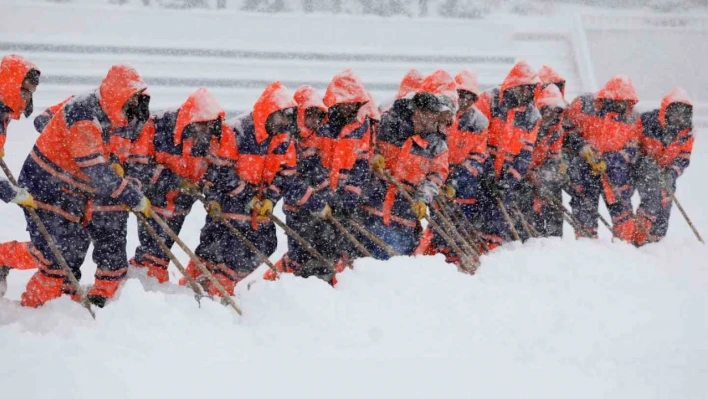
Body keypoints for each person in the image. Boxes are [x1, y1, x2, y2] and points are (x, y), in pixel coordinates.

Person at [18, 65, 151, 307]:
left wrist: (109, 159)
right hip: (47, 185)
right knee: (55, 256)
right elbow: (97, 172)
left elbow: (100, 157)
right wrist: (133, 197)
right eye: (131, 97)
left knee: (72, 247)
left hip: (70, 189)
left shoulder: (107, 111)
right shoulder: (84, 116)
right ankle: (37, 308)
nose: (134, 103)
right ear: (118, 93)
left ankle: (65, 299)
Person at [192, 82, 327, 294]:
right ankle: (207, 288)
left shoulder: (284, 138)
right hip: (230, 203)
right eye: (281, 115)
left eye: (288, 116)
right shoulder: (237, 131)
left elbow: (286, 174)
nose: (284, 122)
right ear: (268, 113)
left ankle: (218, 283)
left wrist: (270, 199)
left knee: (266, 243)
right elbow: (221, 172)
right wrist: (246, 197)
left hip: (258, 207)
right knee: (225, 250)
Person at [126, 88, 233, 288]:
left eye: (210, 126)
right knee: (153, 248)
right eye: (202, 125)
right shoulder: (159, 127)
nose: (206, 131)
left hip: (181, 205)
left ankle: (149, 284)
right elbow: (139, 165)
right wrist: (174, 181)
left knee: (163, 247)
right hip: (155, 200)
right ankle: (144, 284)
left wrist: (211, 197)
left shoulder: (214, 140)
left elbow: (215, 173)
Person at [361, 70, 452, 259]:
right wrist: (373, 156)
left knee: (397, 255)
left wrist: (422, 198)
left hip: (404, 211)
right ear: (417, 112)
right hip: (372, 203)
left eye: (435, 116)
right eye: (428, 114)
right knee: (365, 255)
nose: (432, 120)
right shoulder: (387, 124)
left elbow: (437, 175)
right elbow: (365, 144)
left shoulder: (438, 144)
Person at [563, 75, 641, 242]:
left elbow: (633, 149)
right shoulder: (583, 105)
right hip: (583, 168)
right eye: (618, 100)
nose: (621, 104)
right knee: (584, 203)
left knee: (622, 208)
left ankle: (624, 245)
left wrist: (610, 161)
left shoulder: (633, 119)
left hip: (616, 173)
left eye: (626, 101)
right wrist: (582, 148)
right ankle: (586, 242)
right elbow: (566, 128)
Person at [264, 85, 328, 280]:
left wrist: (325, 198)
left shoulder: (316, 139)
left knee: (313, 252)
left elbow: (320, 172)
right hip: (297, 208)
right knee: (299, 256)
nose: (315, 121)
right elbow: (286, 180)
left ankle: (276, 281)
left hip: (316, 203)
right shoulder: (286, 140)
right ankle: (272, 282)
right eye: (310, 115)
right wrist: (314, 200)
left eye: (318, 116)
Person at [475, 61, 541, 248]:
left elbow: (525, 154)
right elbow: (478, 138)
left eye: (530, 90)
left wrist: (509, 181)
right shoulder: (489, 100)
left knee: (497, 220)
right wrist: (485, 171)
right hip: (479, 169)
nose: (526, 94)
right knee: (470, 213)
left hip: (505, 174)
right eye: (523, 89)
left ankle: (491, 253)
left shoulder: (532, 116)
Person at [0, 54, 41, 297]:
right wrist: (9, 192)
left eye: (30, 93)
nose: (27, 98)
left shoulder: (2, 112)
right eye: (23, 91)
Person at [633, 87, 694, 245]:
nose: (679, 118)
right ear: (666, 109)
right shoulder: (647, 121)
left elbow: (683, 157)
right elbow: (632, 143)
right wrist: (643, 159)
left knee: (665, 199)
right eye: (675, 113)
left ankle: (657, 239)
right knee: (652, 199)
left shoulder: (687, 133)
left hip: (666, 169)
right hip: (642, 165)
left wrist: (672, 172)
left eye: (683, 114)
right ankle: (640, 238)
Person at [520, 84, 567, 238]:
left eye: (555, 111)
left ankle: (554, 238)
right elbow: (515, 152)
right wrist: (527, 172)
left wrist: (543, 175)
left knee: (552, 192)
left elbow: (554, 158)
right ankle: (529, 236)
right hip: (519, 172)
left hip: (538, 172)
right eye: (547, 109)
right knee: (525, 200)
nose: (551, 114)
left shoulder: (556, 132)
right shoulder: (526, 124)